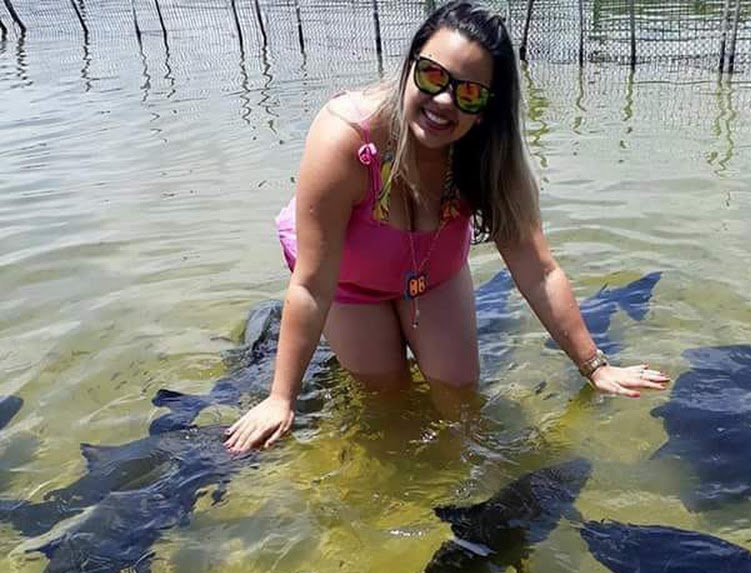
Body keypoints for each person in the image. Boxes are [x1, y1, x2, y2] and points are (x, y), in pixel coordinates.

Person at [224, 1, 668, 452]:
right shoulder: (344, 137)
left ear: (485, 110)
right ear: (411, 64)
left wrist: (594, 367)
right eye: (433, 77)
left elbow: (539, 270)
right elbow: (312, 284)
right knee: (389, 399)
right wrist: (281, 399)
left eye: (469, 94)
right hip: (347, 281)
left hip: (432, 273)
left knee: (460, 395)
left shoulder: (489, 160)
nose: (443, 102)